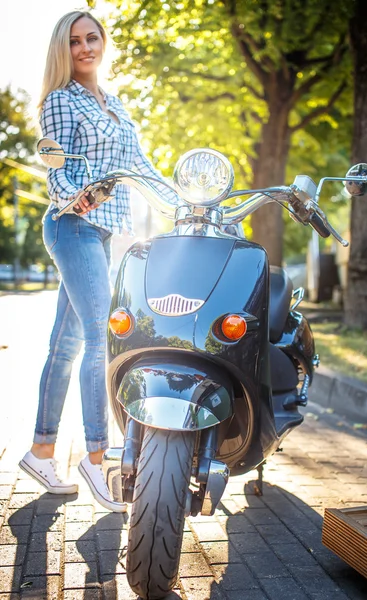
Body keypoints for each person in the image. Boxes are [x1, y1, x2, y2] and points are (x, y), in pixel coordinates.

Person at [18, 10, 178, 512]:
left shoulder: (116, 105)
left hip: (104, 232)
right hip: (72, 225)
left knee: (64, 346)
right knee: (99, 337)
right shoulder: (59, 102)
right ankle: (95, 454)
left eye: (92, 38)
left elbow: (140, 165)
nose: (85, 47)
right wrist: (77, 196)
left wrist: (183, 200)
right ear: (62, 50)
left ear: (102, 41)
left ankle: (42, 451)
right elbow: (59, 170)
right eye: (75, 41)